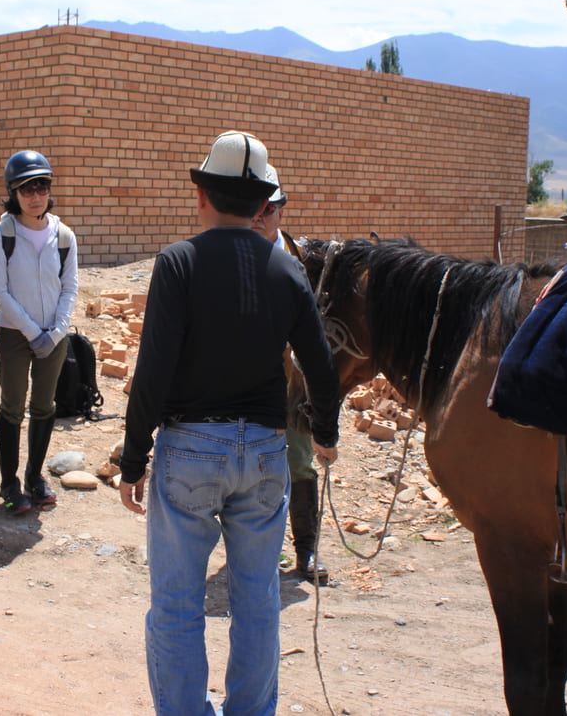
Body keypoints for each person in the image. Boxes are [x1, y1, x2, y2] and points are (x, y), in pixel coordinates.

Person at [119, 131, 341, 716]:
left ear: (201, 194)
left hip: (191, 447)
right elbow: (321, 362)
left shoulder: (178, 263)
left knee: (176, 602)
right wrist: (326, 433)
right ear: (263, 204)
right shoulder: (288, 271)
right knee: (257, 601)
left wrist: (133, 458)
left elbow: (154, 369)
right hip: (266, 453)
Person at [0, 150, 79, 515]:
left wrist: (55, 332)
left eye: (41, 186)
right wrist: (30, 331)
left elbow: (70, 287)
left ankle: (34, 477)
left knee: (44, 407)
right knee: (12, 406)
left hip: (53, 336)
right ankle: (9, 483)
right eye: (26, 188)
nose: (35, 195)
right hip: (14, 333)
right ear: (13, 192)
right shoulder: (3, 234)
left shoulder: (63, 235)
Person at [250, 164, 329, 584]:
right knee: (254, 468)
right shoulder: (237, 257)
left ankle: (307, 551)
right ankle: (258, 553)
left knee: (300, 465)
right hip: (249, 385)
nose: (262, 217)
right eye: (255, 209)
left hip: (294, 383)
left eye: (270, 208)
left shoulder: (303, 259)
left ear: (282, 209)